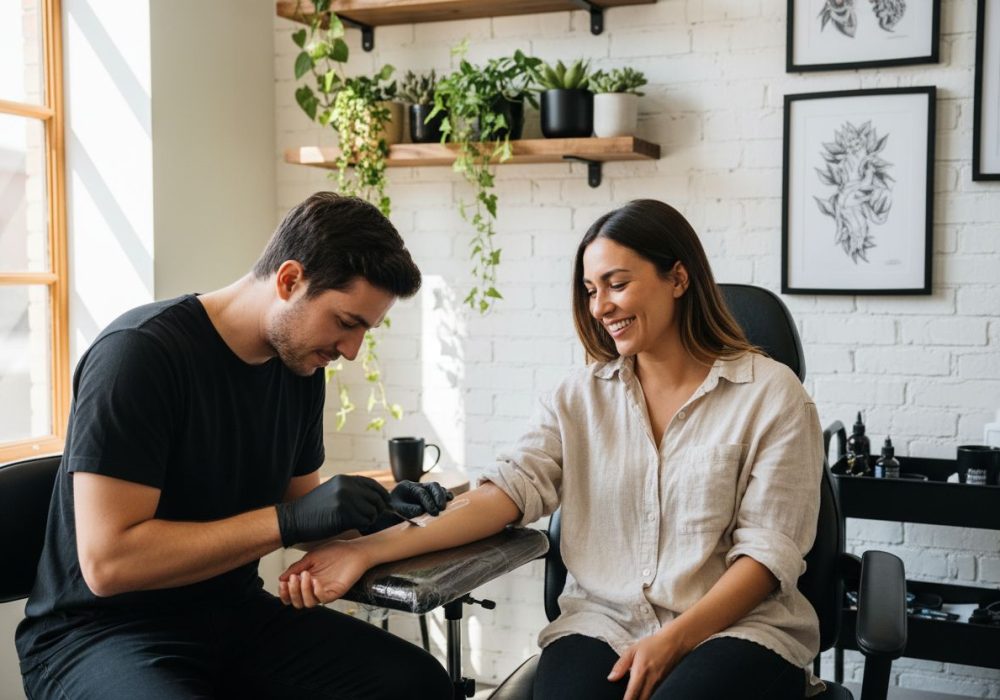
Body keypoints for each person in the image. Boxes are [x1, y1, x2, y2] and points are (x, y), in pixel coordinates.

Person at [279, 199, 825, 700]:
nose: (600, 306)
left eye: (616, 284)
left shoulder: (772, 396)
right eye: (590, 290)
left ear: (677, 278)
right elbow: (505, 495)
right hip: (602, 622)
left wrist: (676, 640)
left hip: (735, 630)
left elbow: (766, 556)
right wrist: (365, 551)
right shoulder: (578, 397)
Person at [16, 192, 454, 700]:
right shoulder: (140, 356)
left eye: (365, 331)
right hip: (101, 634)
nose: (351, 351)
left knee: (416, 684)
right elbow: (109, 564)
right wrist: (290, 521)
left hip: (234, 615)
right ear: (290, 280)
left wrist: (378, 514)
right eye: (346, 322)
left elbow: (301, 508)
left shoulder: (300, 368)